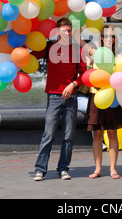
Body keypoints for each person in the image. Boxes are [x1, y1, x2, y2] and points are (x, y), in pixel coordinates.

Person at [32, 18, 87, 181]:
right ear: (57, 32)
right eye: (64, 31)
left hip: (71, 95)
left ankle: (63, 168)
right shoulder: (49, 47)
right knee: (48, 134)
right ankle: (40, 169)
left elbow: (84, 73)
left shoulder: (77, 49)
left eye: (69, 31)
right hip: (54, 95)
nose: (67, 33)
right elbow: (30, 55)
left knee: (68, 136)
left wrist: (73, 85)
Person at [84, 26, 122, 179]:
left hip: (113, 98)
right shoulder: (95, 54)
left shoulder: (119, 56)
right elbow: (80, 43)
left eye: (112, 37)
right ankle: (97, 169)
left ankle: (113, 169)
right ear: (101, 38)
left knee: (112, 133)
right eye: (106, 36)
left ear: (115, 39)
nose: (109, 39)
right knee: (97, 134)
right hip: (96, 97)